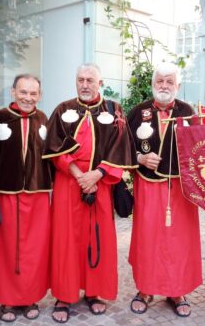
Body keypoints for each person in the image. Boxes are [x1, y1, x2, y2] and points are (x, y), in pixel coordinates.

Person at [42, 63, 136, 323]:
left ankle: (94, 292)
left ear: (99, 82)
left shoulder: (114, 110)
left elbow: (121, 146)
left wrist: (98, 175)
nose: (85, 84)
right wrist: (79, 175)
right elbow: (53, 146)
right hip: (68, 183)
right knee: (66, 240)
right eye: (81, 79)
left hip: (101, 184)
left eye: (90, 80)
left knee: (98, 239)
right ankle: (64, 294)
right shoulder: (62, 109)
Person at [127, 63, 202, 317]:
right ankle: (145, 289)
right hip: (147, 185)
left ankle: (176, 290)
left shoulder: (188, 112)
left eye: (169, 82)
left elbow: (200, 146)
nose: (164, 86)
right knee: (148, 238)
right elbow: (123, 146)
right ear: (153, 84)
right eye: (160, 81)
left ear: (177, 86)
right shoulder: (137, 112)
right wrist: (139, 158)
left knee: (178, 241)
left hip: (180, 189)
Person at [0, 74, 52, 322]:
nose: (28, 97)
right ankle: (7, 300)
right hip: (6, 192)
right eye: (23, 92)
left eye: (33, 93)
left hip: (37, 194)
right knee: (6, 249)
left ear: (39, 95)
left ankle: (31, 296)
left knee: (34, 248)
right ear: (13, 92)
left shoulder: (43, 119)